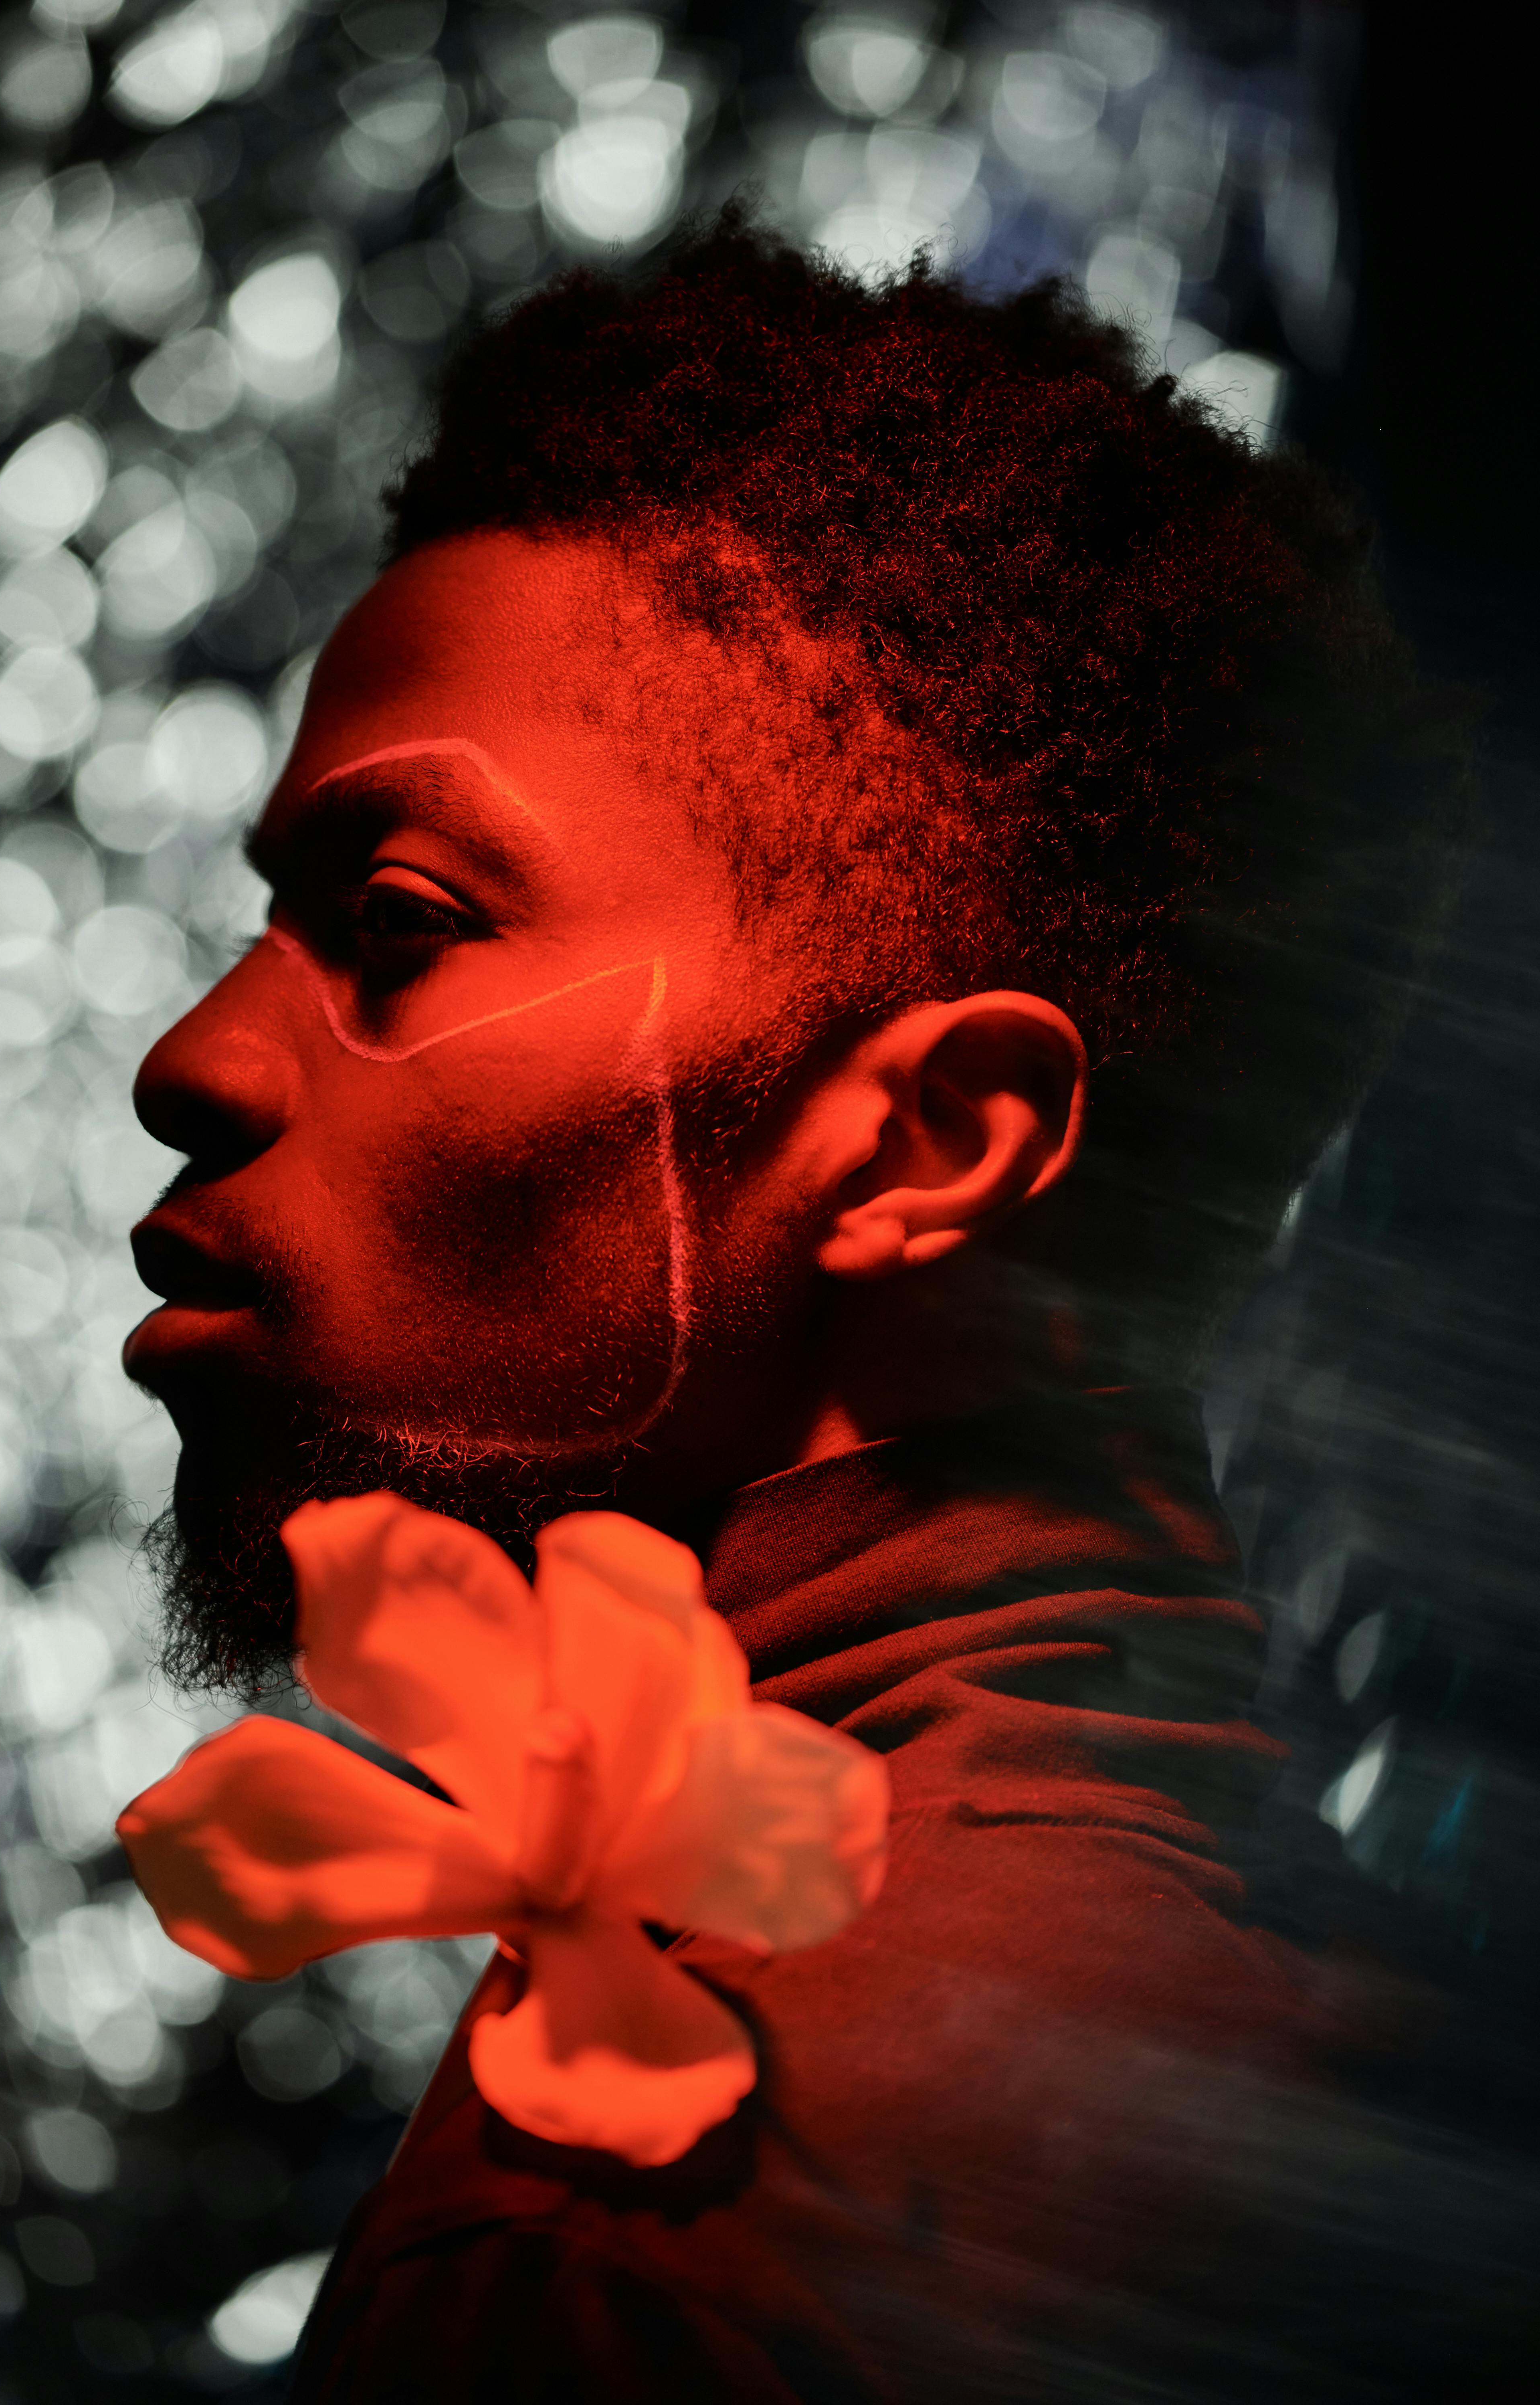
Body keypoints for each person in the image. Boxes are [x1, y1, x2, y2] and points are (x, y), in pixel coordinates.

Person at [123, 217, 1480, 2399]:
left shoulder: (649, 2248)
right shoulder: (1380, 2074)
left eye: (396, 922)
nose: (189, 1058)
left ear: (932, 1144)